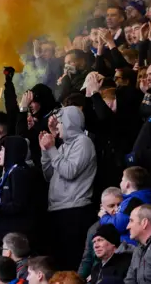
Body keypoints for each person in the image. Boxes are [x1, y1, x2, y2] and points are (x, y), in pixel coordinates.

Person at [40, 106, 97, 270]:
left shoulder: (83, 142)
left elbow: (69, 171)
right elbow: (49, 175)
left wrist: (51, 148)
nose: (57, 126)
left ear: (70, 122)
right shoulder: (63, 146)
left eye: (60, 122)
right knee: (60, 264)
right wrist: (46, 150)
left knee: (72, 262)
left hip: (75, 211)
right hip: (58, 210)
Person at [100, 166, 151, 245]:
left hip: (130, 246)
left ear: (127, 184)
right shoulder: (140, 197)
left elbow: (117, 226)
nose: (120, 183)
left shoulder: (133, 201)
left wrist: (104, 216)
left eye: (122, 180)